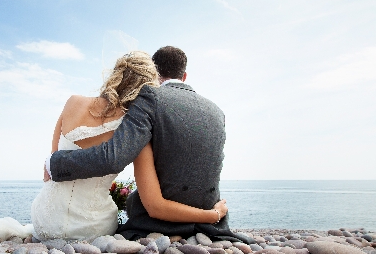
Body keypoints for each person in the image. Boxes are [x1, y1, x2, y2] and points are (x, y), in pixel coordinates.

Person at [47, 46, 253, 243]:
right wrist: (213, 214)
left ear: (155, 74)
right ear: (185, 75)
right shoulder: (217, 111)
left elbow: (113, 157)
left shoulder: (150, 98)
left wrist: (53, 163)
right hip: (212, 217)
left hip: (160, 220)